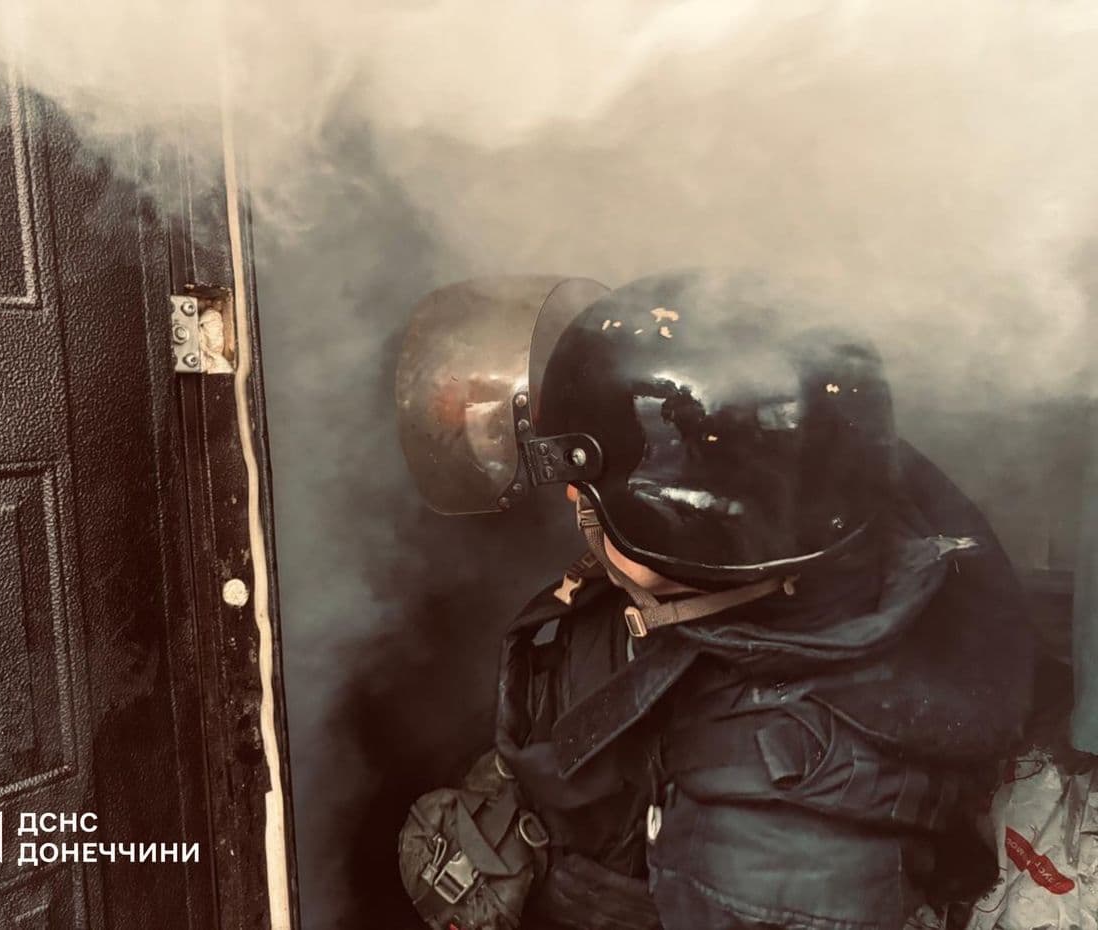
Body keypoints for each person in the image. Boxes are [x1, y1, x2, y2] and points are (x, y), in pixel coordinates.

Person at [396, 271, 1035, 930]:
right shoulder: (830, 469)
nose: (570, 496)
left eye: (587, 487)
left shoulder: (766, 858)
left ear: (689, 534)